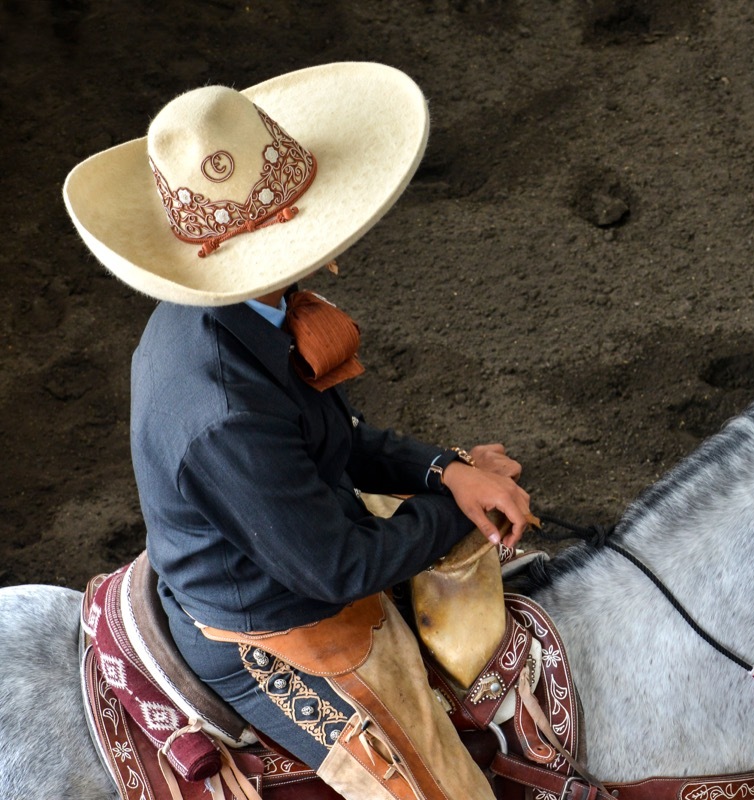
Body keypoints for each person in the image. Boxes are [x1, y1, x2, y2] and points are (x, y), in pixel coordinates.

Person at [63, 62, 529, 799]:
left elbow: (331, 439)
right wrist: (448, 512)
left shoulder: (235, 315)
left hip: (284, 538)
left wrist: (448, 469)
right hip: (274, 626)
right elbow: (337, 571)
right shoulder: (223, 412)